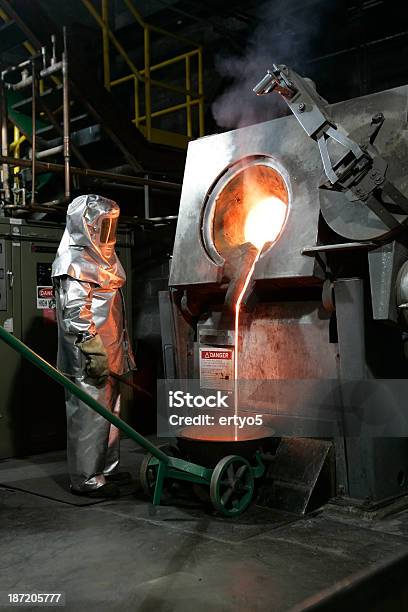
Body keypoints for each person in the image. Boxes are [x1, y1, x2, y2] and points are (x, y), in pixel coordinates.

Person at [52, 194, 135, 498]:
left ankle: (106, 470)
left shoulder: (104, 257)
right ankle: (86, 479)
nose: (108, 231)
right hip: (89, 357)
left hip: (111, 351)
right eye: (104, 225)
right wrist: (91, 347)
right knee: (89, 418)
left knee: (110, 416)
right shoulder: (73, 261)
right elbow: (75, 311)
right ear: (85, 225)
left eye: (112, 225)